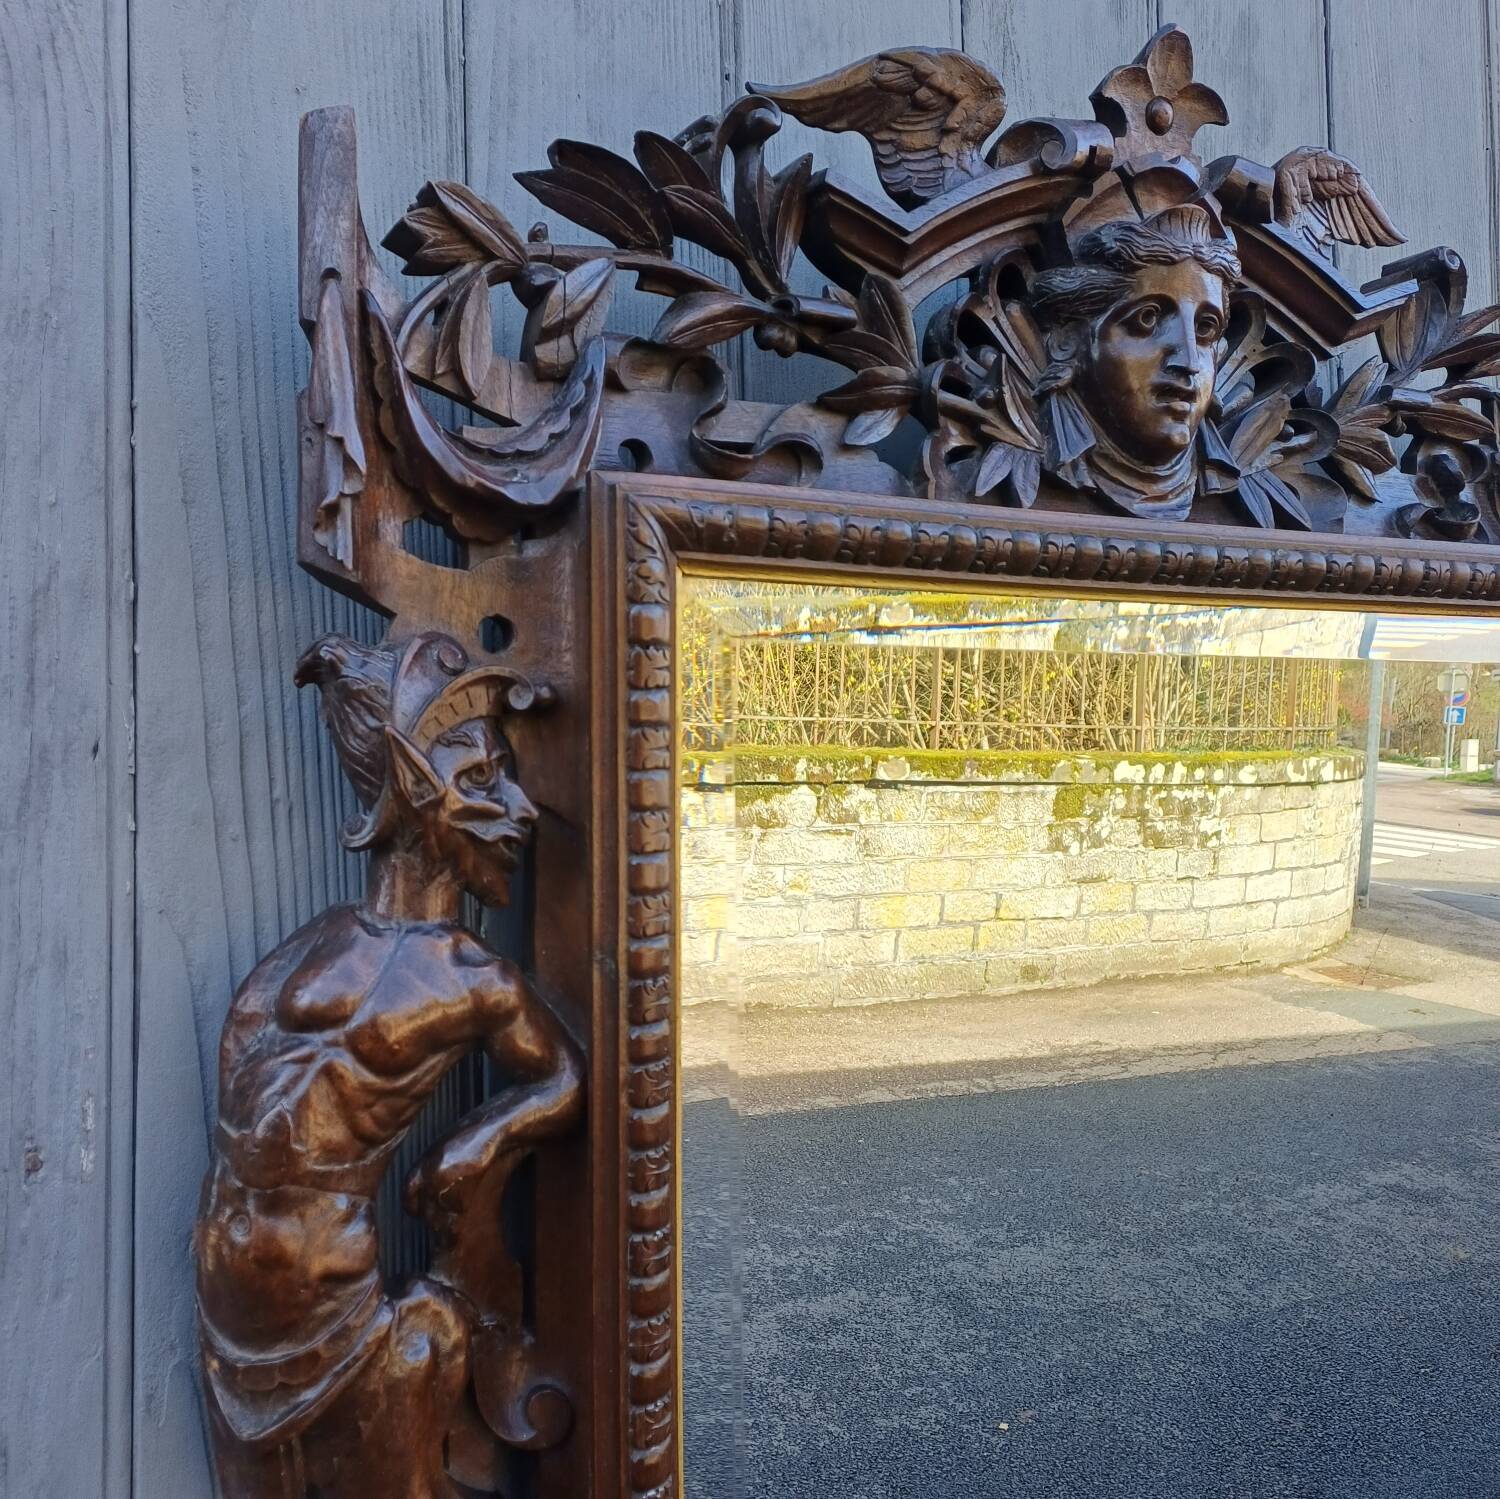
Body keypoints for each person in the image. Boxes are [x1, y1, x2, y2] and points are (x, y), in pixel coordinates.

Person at [195, 631, 584, 1498]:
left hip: (339, 1314)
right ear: (416, 787)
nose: (518, 808)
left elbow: (563, 1078)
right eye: (483, 780)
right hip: (234, 1320)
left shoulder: (472, 974)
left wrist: (481, 1139)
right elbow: (239, 1117)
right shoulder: (315, 947)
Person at [1028, 203, 1241, 519]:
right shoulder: (1021, 457)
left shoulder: (1239, 486)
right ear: (1067, 341)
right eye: (1147, 319)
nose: (1189, 361)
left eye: (1205, 328)